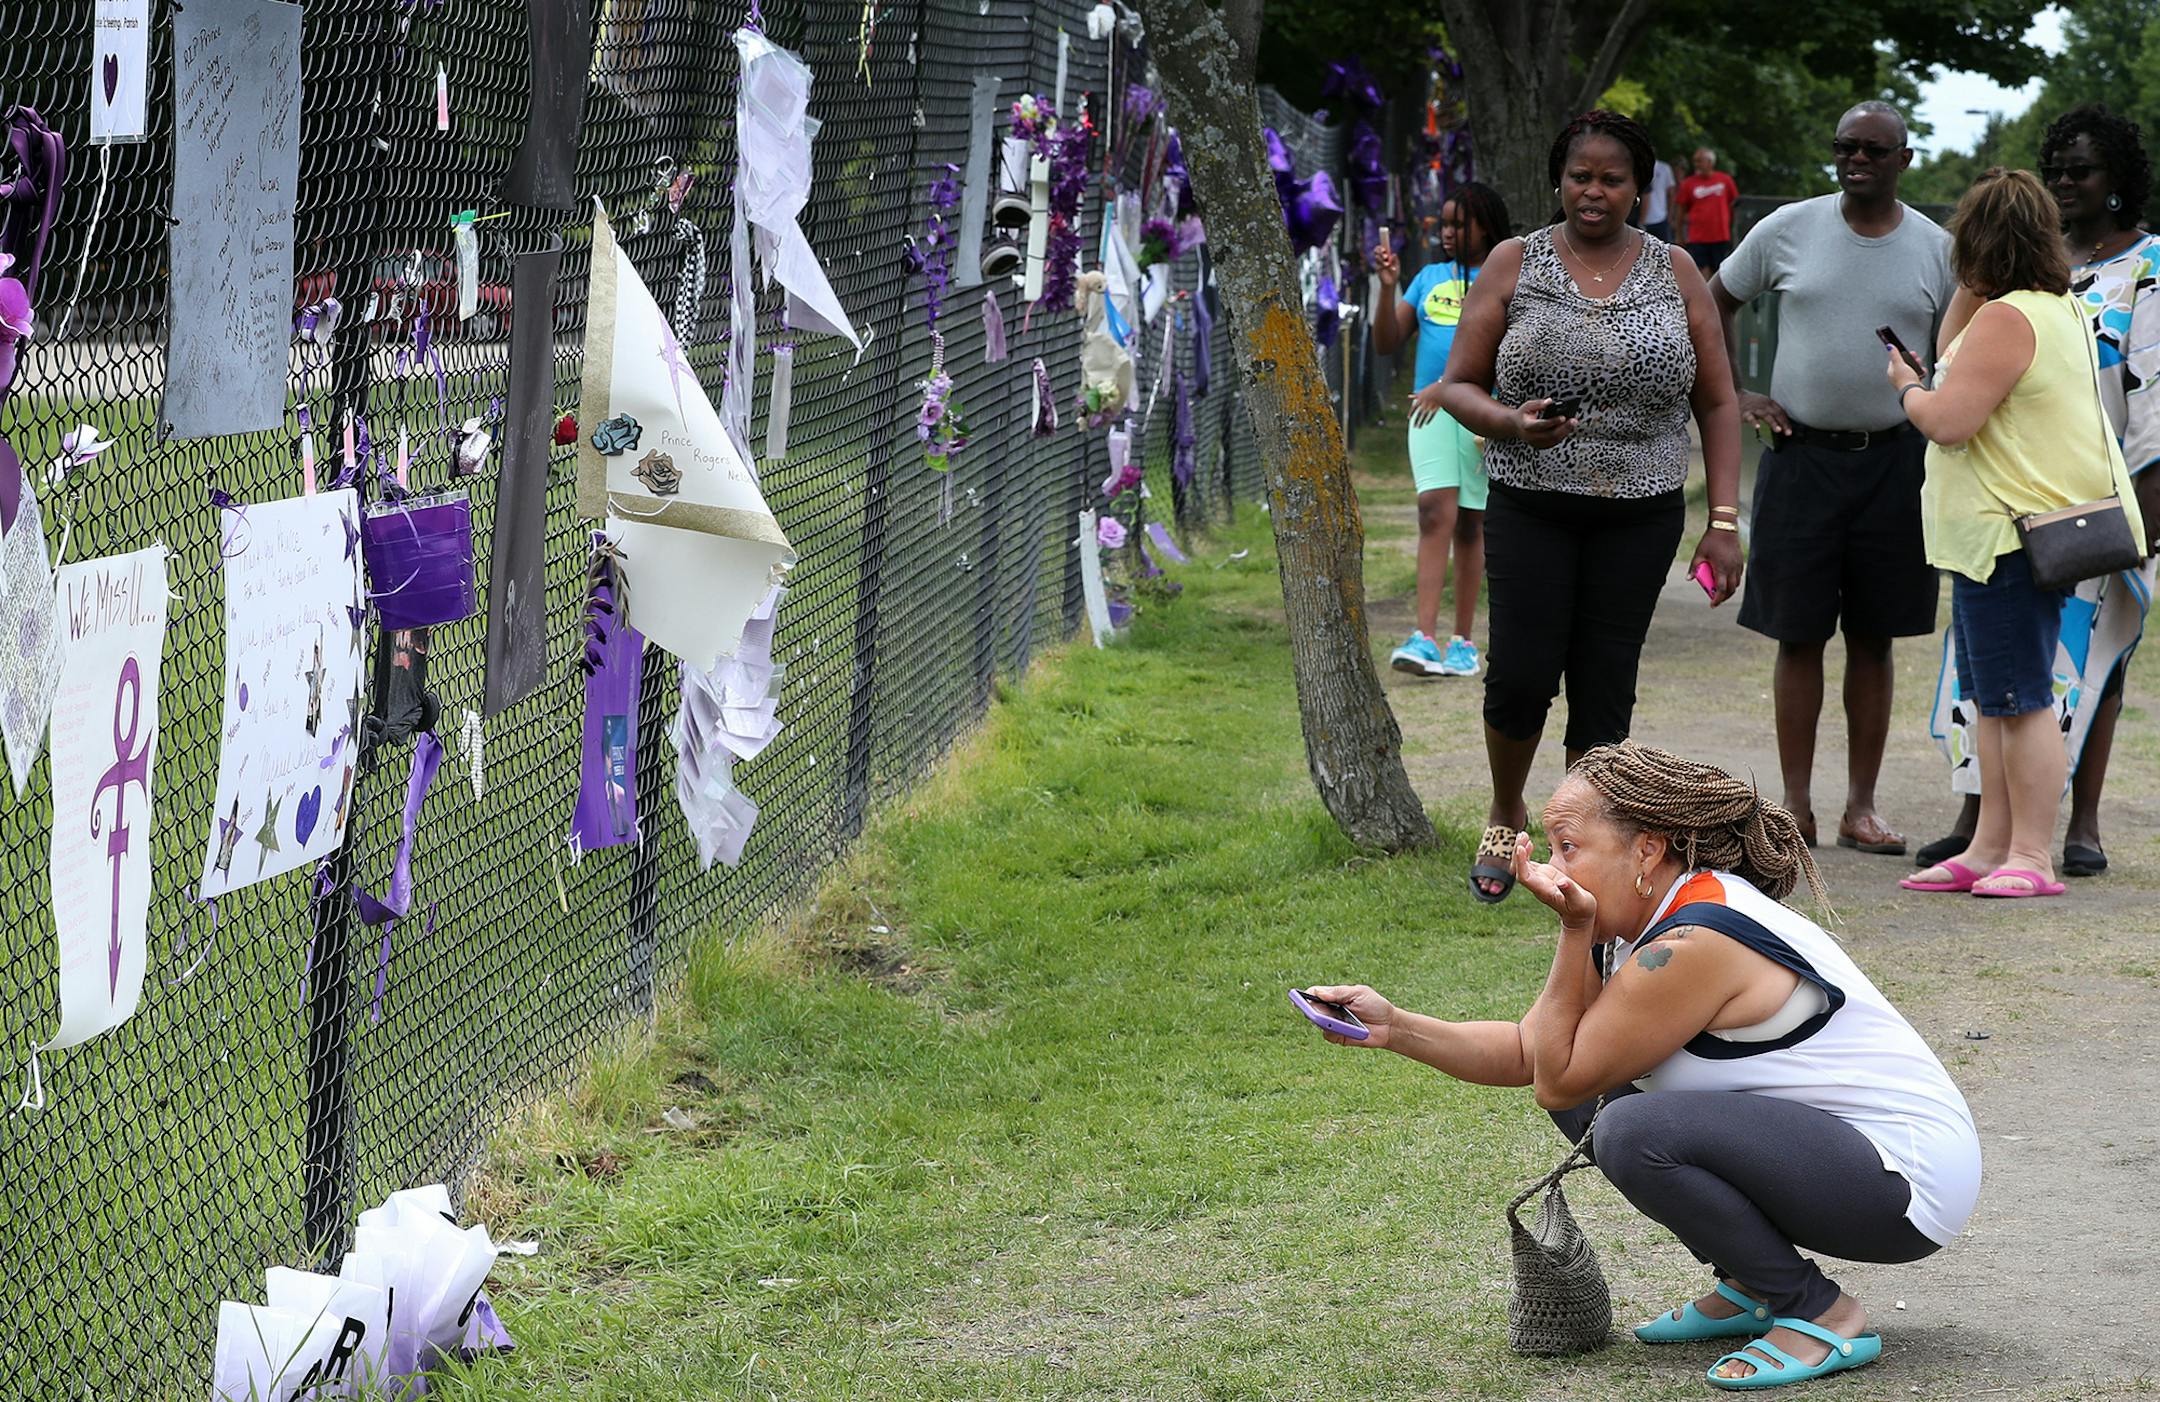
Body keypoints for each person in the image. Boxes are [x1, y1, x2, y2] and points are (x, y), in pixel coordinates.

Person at [1303, 744, 1981, 1390]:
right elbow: (1531, 1053)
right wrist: (1396, 1028)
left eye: (1569, 847)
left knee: (1627, 1126)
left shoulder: (1696, 938)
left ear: (1646, 850)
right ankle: (1750, 1281)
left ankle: (1820, 1313)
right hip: (1836, 1161)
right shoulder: (1640, 929)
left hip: (1903, 1184)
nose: (1550, 868)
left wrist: (1573, 930)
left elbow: (1557, 1078)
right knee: (1594, 1097)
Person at [1435, 111, 1743, 903]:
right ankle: (1507, 816)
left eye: (1611, 178)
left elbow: (1716, 401)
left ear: (1640, 188)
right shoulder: (1514, 261)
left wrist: (1724, 521)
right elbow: (1458, 383)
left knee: (1605, 686)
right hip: (1530, 504)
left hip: (1638, 512)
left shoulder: (1676, 271)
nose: (1594, 191)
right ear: (1559, 182)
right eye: (1580, 176)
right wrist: (1510, 424)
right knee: (1520, 677)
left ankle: (1581, 845)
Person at [1918, 105, 2160, 877]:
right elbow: (1955, 354)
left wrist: (1903, 389)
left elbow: (1946, 412)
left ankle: (2031, 851)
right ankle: (1991, 843)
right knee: (1997, 699)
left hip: (2018, 531)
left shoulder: (2018, 315)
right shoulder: (2049, 306)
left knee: (2025, 702)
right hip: (2009, 533)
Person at [1710, 101, 1953, 857]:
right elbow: (1711, 301)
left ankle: (1861, 808)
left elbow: (1961, 341)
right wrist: (1737, 392)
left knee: (1874, 638)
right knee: (1798, 635)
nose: (1858, 160)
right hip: (1800, 458)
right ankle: (1795, 809)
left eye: (1875, 150)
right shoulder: (1788, 227)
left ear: (1903, 160)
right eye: (1846, 147)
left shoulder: (1936, 249)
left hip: (1895, 461)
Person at [1372, 182, 1513, 678]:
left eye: (1459, 224)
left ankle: (1463, 642)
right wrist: (1388, 287)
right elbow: (1388, 342)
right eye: (1445, 224)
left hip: (1483, 412)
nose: (1448, 233)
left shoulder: (1507, 277)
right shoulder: (1428, 278)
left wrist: (1450, 387)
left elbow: (1511, 354)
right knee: (1434, 512)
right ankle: (1424, 638)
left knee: (1472, 523)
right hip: (1429, 411)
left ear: (1486, 225)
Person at [1674, 148, 1739, 273]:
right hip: (1698, 236)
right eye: (1695, 161)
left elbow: (1734, 205)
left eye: (1699, 161)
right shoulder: (1688, 183)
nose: (1696, 164)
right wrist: (1679, 236)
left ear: (1710, 162)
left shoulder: (1725, 180)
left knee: (1719, 270)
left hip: (1720, 235)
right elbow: (1680, 211)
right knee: (1701, 270)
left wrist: (1732, 228)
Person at [1644, 156, 1678, 242]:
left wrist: (1670, 214)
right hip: (1641, 219)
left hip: (1660, 216)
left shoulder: (1664, 168)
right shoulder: (1635, 167)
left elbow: (1671, 193)